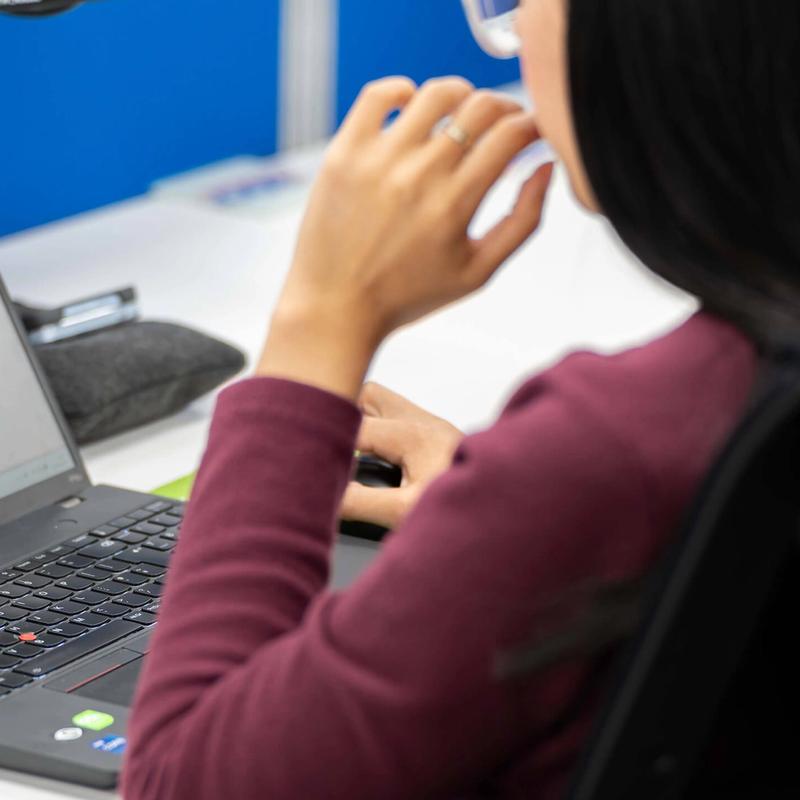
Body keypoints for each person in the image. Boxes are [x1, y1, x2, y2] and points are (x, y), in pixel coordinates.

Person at [122, 0, 799, 797]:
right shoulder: (666, 435)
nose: (511, 34)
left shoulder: (608, 450)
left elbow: (182, 780)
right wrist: (497, 523)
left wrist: (323, 319)